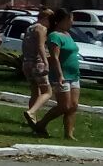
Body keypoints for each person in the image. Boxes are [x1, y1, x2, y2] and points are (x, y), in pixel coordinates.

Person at [34, 9, 81, 140]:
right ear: (64, 20)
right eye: (71, 19)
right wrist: (60, 75)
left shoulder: (68, 35)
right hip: (61, 75)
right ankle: (41, 124)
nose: (72, 22)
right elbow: (55, 58)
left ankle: (69, 134)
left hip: (74, 75)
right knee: (64, 106)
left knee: (73, 106)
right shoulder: (55, 36)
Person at [22, 8, 54, 128]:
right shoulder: (41, 28)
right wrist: (46, 62)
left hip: (27, 63)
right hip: (37, 63)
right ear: (46, 18)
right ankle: (32, 112)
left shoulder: (30, 28)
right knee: (47, 92)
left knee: (35, 91)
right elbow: (41, 46)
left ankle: (32, 119)